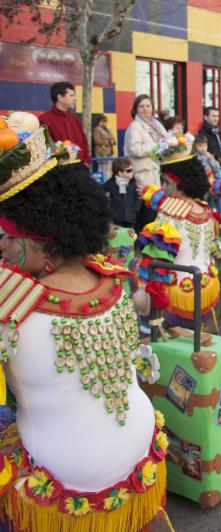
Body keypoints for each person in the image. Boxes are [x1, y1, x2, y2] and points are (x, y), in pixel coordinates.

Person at [0, 123, 168, 530]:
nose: (1, 246)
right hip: (139, 451)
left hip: (65, 475)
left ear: (41, 244)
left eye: (6, 236)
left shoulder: (11, 303)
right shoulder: (113, 278)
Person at [135, 131, 221, 331]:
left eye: (164, 182)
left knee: (137, 268)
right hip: (207, 286)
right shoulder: (205, 209)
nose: (162, 186)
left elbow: (155, 263)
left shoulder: (169, 214)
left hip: (179, 295)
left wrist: (144, 290)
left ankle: (150, 328)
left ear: (177, 183)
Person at [124, 94, 167, 231]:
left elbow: (166, 140)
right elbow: (134, 149)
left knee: (154, 211)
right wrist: (156, 148)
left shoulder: (155, 125)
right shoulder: (135, 126)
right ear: (135, 109)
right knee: (144, 212)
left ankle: (150, 242)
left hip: (155, 175)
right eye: (141, 106)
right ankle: (141, 243)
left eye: (148, 106)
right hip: (142, 175)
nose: (145, 109)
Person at [37, 81, 91, 165]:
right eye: (71, 95)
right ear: (60, 98)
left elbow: (84, 143)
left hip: (80, 169)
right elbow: (45, 149)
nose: (75, 98)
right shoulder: (44, 120)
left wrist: (87, 162)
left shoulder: (75, 119)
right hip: (58, 171)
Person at [103, 157, 141, 228]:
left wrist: (135, 210)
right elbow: (104, 200)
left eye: (132, 170)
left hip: (130, 218)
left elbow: (138, 197)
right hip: (115, 220)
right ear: (120, 173)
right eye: (129, 170)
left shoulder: (133, 184)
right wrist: (110, 212)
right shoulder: (109, 185)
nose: (132, 172)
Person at [92, 114, 116, 179]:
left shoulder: (108, 129)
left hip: (109, 152)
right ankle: (101, 183)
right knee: (101, 168)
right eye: (103, 121)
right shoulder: (97, 129)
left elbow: (113, 139)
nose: (105, 122)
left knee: (108, 169)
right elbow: (97, 141)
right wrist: (108, 142)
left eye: (106, 121)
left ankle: (107, 182)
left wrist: (113, 142)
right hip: (101, 152)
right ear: (99, 122)